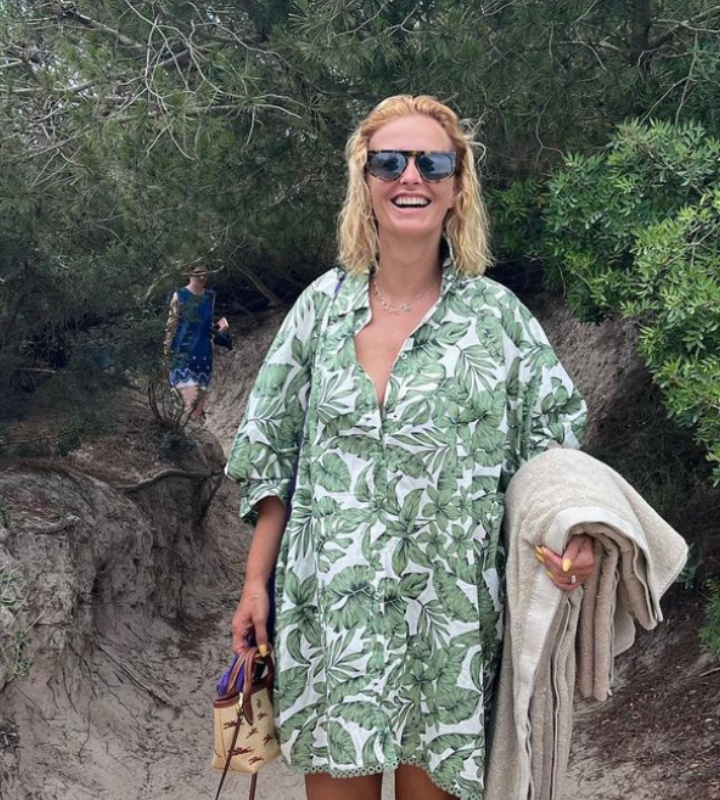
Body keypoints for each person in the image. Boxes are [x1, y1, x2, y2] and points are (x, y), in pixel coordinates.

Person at [225, 95, 595, 800]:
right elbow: (273, 454)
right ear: (365, 183)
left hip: (449, 620)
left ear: (458, 188)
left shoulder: (497, 320)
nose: (411, 177)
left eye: (433, 163)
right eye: (389, 162)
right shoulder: (320, 309)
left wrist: (574, 532)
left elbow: (554, 451)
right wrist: (253, 585)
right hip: (335, 617)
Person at [163, 264, 230, 420]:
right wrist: (166, 347)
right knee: (185, 392)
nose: (202, 277)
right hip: (182, 349)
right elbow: (172, 323)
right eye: (198, 273)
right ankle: (183, 424)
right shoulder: (179, 295)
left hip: (204, 350)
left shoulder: (210, 295)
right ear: (189, 274)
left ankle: (195, 424)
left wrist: (218, 330)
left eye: (205, 273)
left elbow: (208, 320)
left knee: (200, 394)